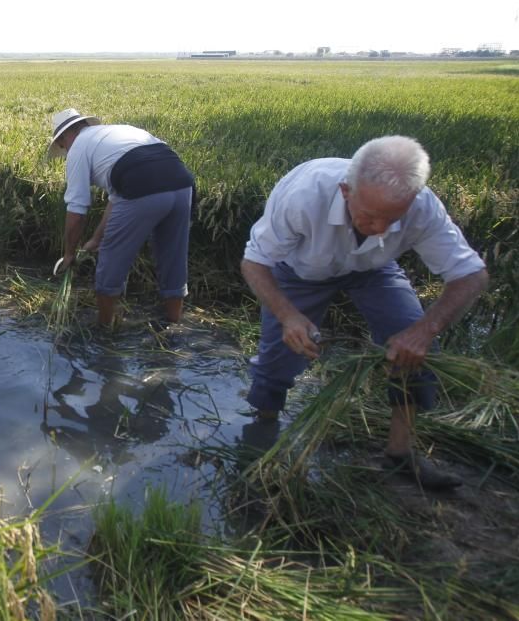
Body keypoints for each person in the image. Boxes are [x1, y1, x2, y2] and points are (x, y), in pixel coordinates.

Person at [241, 135, 489, 490]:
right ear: (346, 192)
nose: (380, 229)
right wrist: (288, 316)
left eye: (393, 219)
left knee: (413, 350)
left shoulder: (421, 207)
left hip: (374, 270)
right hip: (300, 271)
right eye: (370, 217)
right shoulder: (304, 195)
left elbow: (471, 274)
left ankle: (400, 452)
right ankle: (262, 435)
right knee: (277, 360)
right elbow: (255, 262)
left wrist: (424, 331)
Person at [48, 108, 195, 327]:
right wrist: (95, 240)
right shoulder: (116, 133)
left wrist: (69, 254)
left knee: (111, 260)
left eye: (61, 146)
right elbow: (117, 199)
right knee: (172, 257)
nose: (64, 150)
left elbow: (76, 210)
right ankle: (174, 325)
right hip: (183, 184)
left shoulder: (78, 146)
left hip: (142, 186)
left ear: (63, 138)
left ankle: (104, 330)